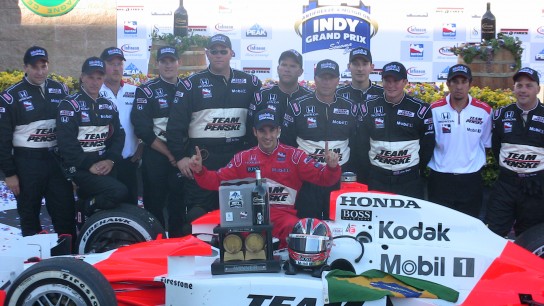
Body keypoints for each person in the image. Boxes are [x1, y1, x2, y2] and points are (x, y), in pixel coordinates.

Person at [188, 109, 341, 247]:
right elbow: (216, 181)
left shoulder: (295, 156)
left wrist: (332, 167)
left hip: (282, 217)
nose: (268, 136)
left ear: (279, 131)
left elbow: (324, 179)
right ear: (255, 132)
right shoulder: (243, 158)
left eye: (272, 130)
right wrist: (200, 171)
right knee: (227, 235)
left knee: (295, 228)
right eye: (262, 131)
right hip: (248, 217)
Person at [167, 34, 262, 235]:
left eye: (223, 51)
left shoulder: (251, 82)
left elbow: (259, 123)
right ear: (207, 53)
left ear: (231, 53)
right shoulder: (191, 84)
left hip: (237, 156)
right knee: (198, 216)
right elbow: (175, 126)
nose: (219, 55)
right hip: (203, 157)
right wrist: (181, 157)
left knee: (239, 212)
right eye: (214, 51)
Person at [0, 46, 75, 237]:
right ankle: (34, 262)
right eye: (35, 67)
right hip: (27, 163)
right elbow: (3, 139)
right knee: (29, 215)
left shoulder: (61, 89)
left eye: (44, 66)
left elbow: (71, 127)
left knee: (64, 212)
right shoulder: (10, 97)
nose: (40, 72)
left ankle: (67, 258)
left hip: (56, 162)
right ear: (25, 67)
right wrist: (9, 174)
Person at [282, 59, 358, 219]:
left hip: (339, 179)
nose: (326, 82)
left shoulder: (351, 107)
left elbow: (358, 143)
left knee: (340, 226)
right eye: (322, 77)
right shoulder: (297, 106)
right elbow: (286, 144)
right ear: (315, 78)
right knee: (307, 225)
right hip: (307, 180)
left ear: (338, 80)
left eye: (331, 77)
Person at [56, 56, 127, 215]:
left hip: (103, 164)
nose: (95, 82)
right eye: (90, 77)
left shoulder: (109, 105)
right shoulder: (69, 104)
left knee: (112, 206)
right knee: (118, 191)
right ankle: (84, 206)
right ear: (82, 77)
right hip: (79, 168)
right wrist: (88, 165)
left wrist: (111, 160)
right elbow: (66, 143)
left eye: (99, 77)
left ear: (103, 79)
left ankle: (90, 218)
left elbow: (119, 136)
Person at [358, 61, 434, 199]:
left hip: (409, 180)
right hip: (377, 179)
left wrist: (415, 170)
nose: (391, 85)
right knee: (377, 219)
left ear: (405, 81)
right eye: (387, 80)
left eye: (396, 80)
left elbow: (427, 146)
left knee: (410, 220)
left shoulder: (420, 109)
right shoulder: (368, 107)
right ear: (382, 81)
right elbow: (361, 144)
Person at [131, 46, 185, 237]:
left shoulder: (188, 87)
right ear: (157, 64)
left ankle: (180, 246)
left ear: (179, 63)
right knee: (154, 205)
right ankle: (156, 246)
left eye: (172, 61)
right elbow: (142, 130)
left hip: (182, 155)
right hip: (157, 155)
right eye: (164, 61)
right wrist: (170, 154)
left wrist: (179, 154)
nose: (168, 65)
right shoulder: (146, 91)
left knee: (179, 205)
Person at [485, 67, 544, 237]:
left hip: (536, 187)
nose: (523, 90)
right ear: (514, 88)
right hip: (506, 184)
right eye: (519, 85)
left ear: (538, 89)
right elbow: (496, 148)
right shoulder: (501, 114)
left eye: (529, 85)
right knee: (493, 233)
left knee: (531, 237)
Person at [427, 64, 492, 218]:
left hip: (471, 180)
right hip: (440, 179)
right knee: (439, 227)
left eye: (463, 82)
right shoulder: (434, 109)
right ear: (448, 84)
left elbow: (486, 145)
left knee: (469, 228)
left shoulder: (484, 111)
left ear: (470, 83)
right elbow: (428, 144)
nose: (459, 86)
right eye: (455, 82)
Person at [99, 47, 142, 205]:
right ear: (102, 65)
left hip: (129, 162)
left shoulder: (135, 91)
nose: (116, 68)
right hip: (102, 163)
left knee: (130, 208)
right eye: (111, 63)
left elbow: (143, 122)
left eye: (119, 63)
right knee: (107, 209)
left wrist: (142, 145)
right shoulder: (94, 91)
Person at [336, 47, 384, 183]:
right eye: (356, 64)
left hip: (375, 162)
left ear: (371, 67)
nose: (360, 68)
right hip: (345, 160)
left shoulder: (383, 94)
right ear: (348, 67)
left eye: (364, 64)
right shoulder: (337, 94)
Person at [248, 49, 312, 139]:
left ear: (300, 72)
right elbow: (250, 130)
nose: (287, 69)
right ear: (278, 69)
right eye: (284, 65)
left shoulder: (309, 97)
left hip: (300, 151)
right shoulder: (261, 96)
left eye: (292, 66)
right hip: (268, 152)